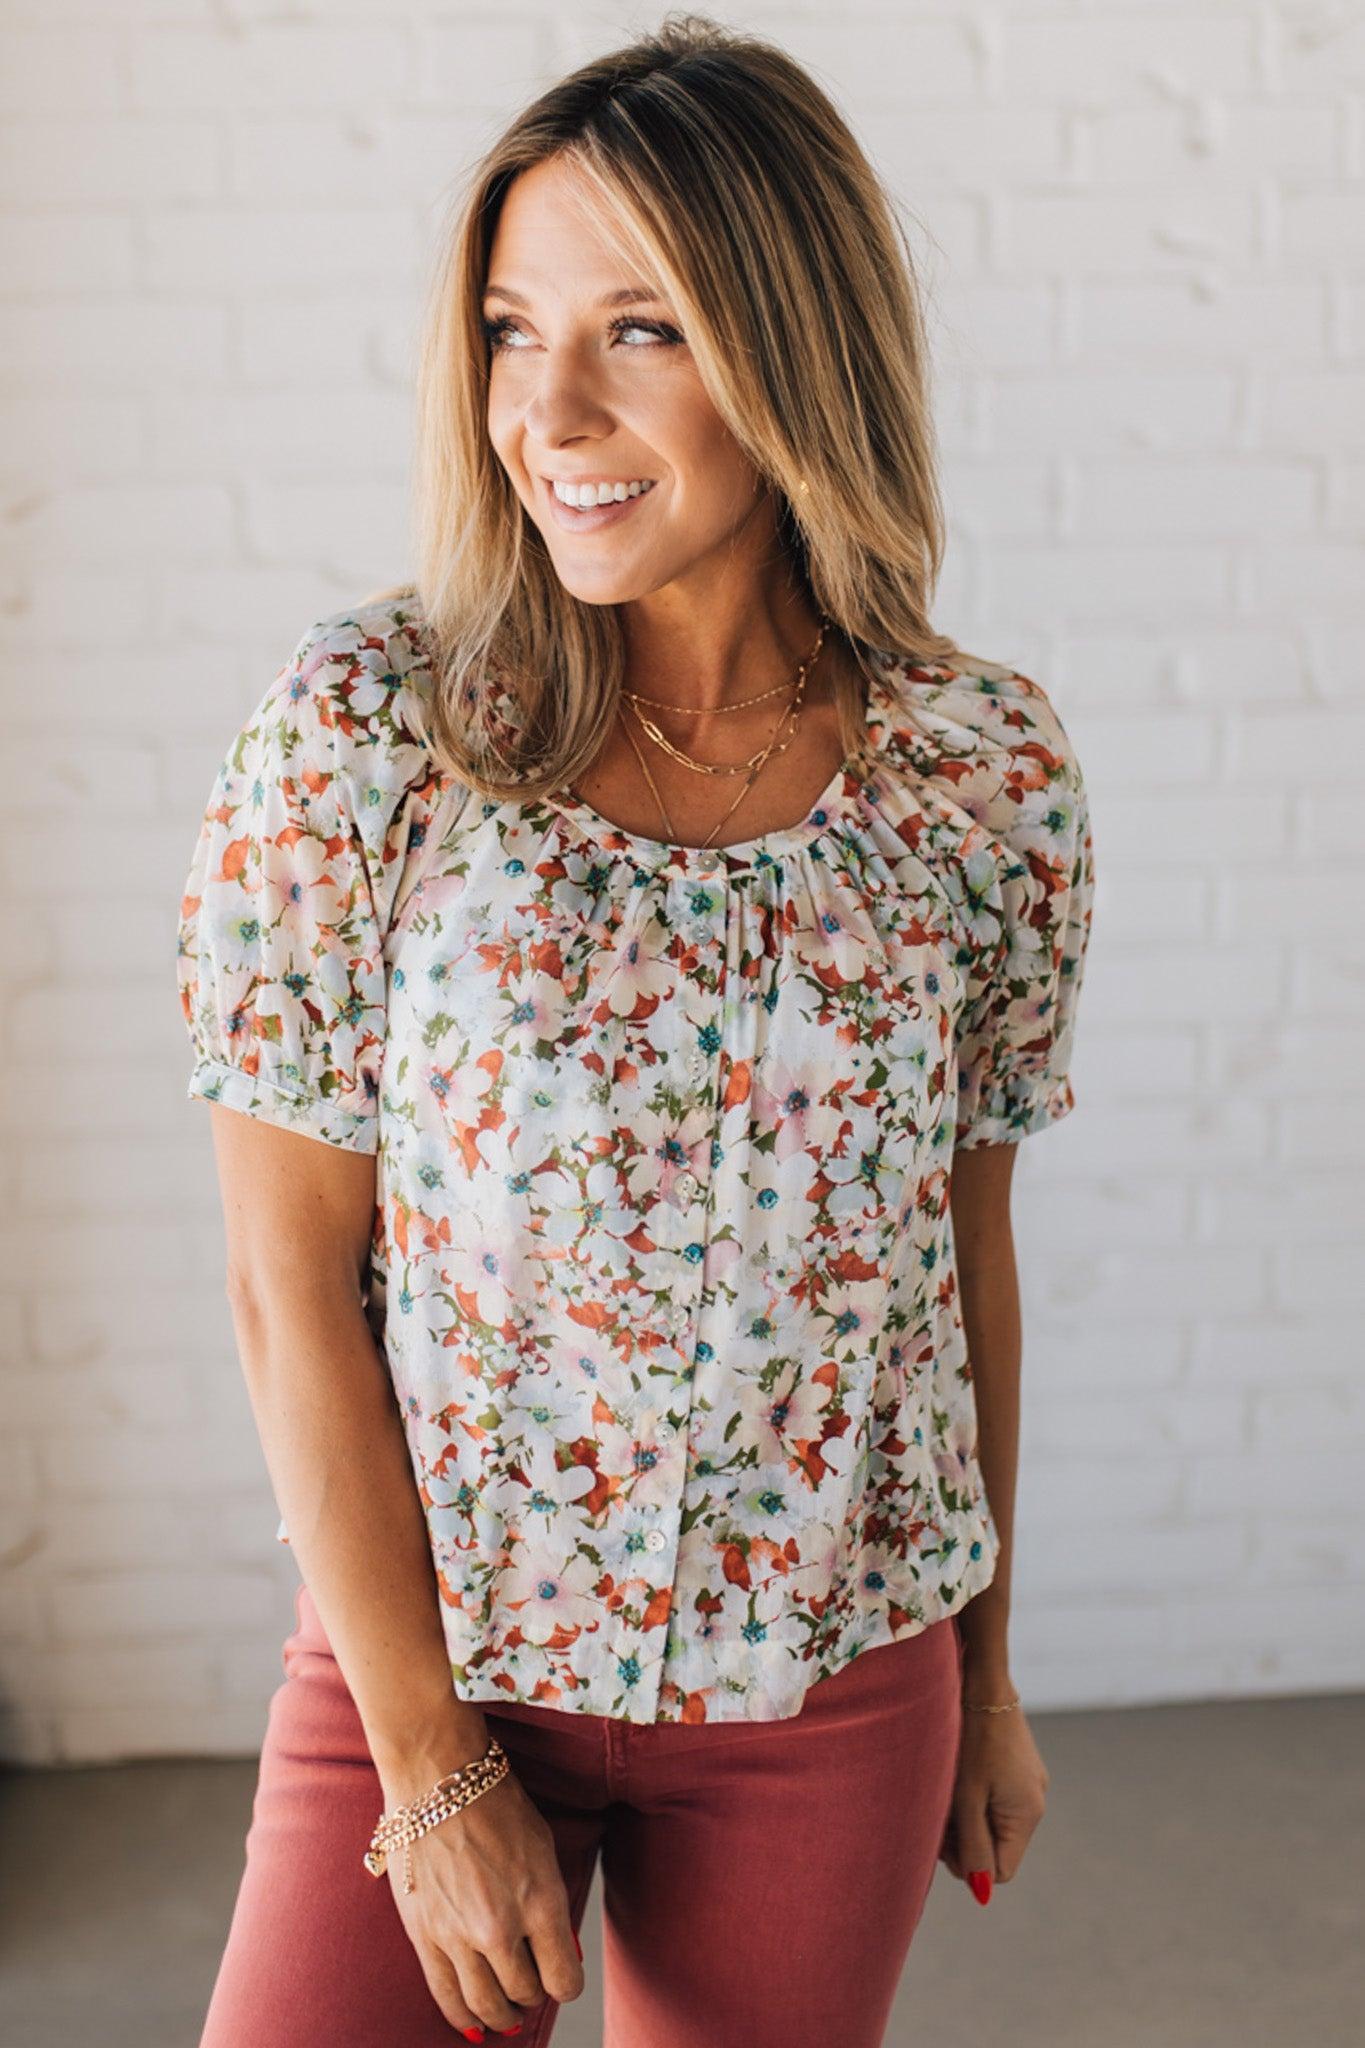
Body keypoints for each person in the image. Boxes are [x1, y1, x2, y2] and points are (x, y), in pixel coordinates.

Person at [174, 14, 1096, 2047]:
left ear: (791, 347)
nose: (549, 408)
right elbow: (283, 1280)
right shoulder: (372, 738)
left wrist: (991, 1670)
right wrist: (424, 1766)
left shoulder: (975, 776)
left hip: (832, 1692)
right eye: (510, 328)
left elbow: (954, 1271)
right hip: (435, 1669)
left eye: (639, 330)